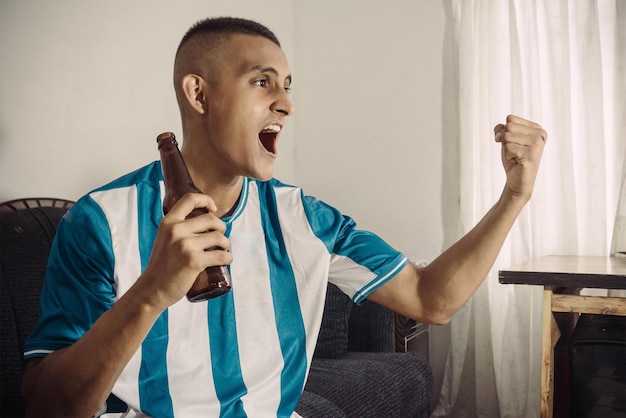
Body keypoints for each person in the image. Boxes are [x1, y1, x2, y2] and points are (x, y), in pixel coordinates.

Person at [21, 16, 546, 418]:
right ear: (198, 93)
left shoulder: (305, 218)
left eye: (288, 85)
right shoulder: (98, 221)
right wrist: (152, 292)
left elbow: (434, 298)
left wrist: (513, 197)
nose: (286, 104)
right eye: (262, 82)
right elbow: (47, 407)